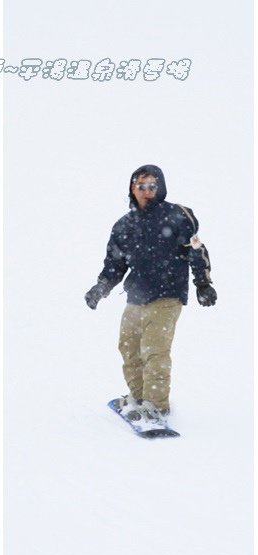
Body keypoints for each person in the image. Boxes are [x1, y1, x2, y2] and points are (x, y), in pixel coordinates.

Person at [84, 164, 215, 427]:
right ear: (132, 188)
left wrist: (203, 284)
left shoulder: (177, 216)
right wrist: (101, 287)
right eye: (140, 186)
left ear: (161, 188)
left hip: (167, 295)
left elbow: (196, 250)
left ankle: (156, 406)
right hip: (136, 297)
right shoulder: (124, 225)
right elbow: (115, 265)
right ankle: (140, 397)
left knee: (155, 351)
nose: (146, 192)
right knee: (129, 348)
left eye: (152, 186)